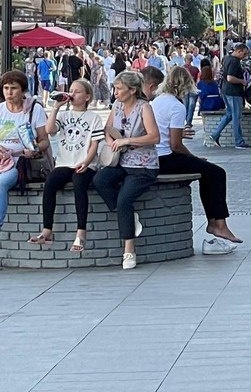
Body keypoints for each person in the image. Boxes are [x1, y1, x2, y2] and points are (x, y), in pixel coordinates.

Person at [147, 66, 242, 252]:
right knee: (216, 173)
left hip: (153, 156)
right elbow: (176, 145)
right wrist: (194, 157)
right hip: (165, 158)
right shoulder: (176, 106)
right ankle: (218, 224)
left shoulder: (156, 102)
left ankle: (215, 223)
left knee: (207, 171)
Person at [92, 71, 160, 270]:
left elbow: (154, 137)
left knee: (125, 199)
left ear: (132, 90)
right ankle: (128, 216)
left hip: (143, 165)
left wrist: (128, 140)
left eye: (119, 88)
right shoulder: (117, 106)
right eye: (115, 88)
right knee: (99, 180)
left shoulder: (144, 107)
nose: (115, 92)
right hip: (121, 160)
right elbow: (108, 129)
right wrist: (111, 141)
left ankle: (129, 250)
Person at [28, 79, 104, 251]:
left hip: (85, 163)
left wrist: (86, 161)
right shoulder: (64, 115)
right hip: (64, 162)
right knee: (51, 183)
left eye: (77, 91)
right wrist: (56, 107)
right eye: (71, 90)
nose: (72, 94)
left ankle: (81, 232)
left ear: (87, 96)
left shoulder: (94, 118)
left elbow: (94, 144)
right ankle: (47, 230)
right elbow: (49, 130)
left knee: (79, 184)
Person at [0, 70, 49, 230]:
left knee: (1, 183)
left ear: (22, 90)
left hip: (18, 163)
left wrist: (33, 149)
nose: (9, 92)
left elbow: (44, 141)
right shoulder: (0, 109)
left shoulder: (35, 110)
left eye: (13, 88)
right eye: (6, 88)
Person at [207, 43, 251, 149]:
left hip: (225, 90)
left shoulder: (226, 58)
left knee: (230, 114)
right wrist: (242, 81)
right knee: (236, 116)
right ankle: (239, 142)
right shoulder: (234, 61)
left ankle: (214, 135)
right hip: (234, 92)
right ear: (239, 51)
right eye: (244, 54)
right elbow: (230, 78)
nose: (244, 56)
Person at [182, 54, 200, 127]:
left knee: (185, 106)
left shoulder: (181, 69)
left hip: (184, 88)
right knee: (191, 106)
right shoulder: (195, 69)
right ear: (192, 60)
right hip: (193, 88)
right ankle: (189, 122)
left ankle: (187, 120)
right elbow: (198, 80)